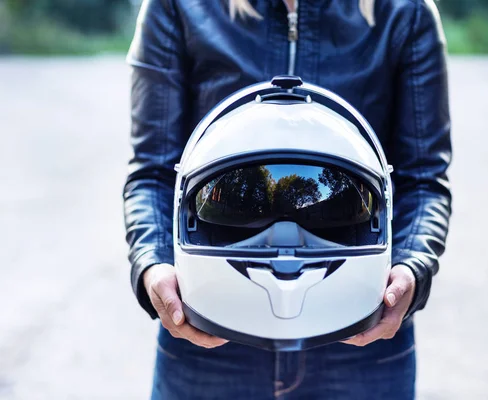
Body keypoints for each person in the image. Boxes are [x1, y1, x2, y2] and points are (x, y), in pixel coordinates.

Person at [123, 0, 452, 398]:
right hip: (210, 328)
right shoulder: (178, 6)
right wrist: (154, 265)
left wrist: (411, 267)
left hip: (358, 330)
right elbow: (155, 170)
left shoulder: (405, 11)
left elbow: (422, 177)